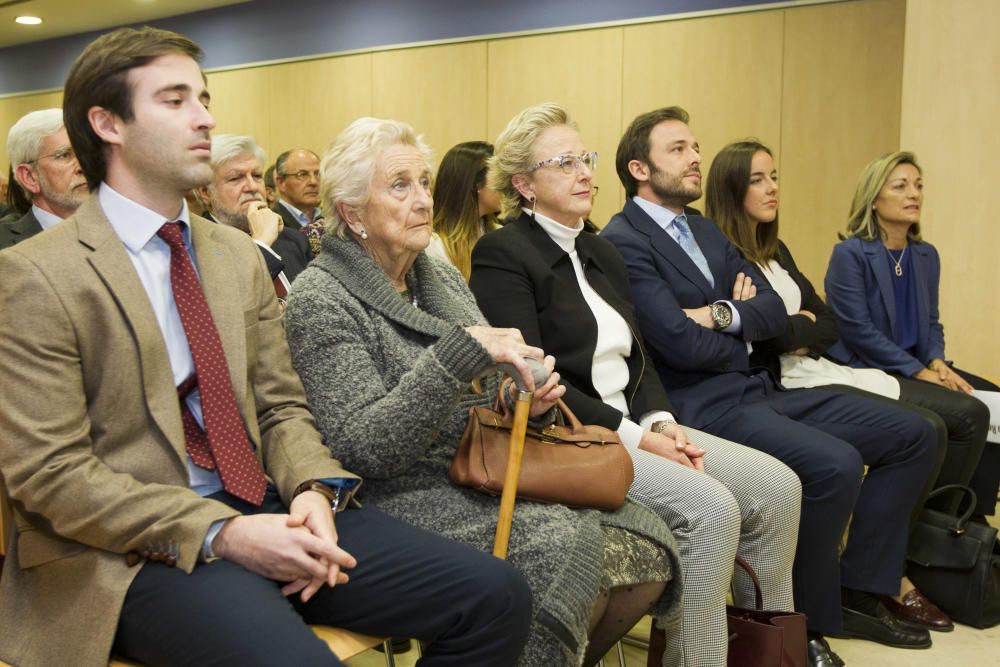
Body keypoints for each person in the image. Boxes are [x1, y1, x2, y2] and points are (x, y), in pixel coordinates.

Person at [0, 27, 533, 667]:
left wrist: (312, 489)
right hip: (133, 549)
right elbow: (51, 476)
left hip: (268, 502)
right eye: (175, 101)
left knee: (496, 595)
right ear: (107, 123)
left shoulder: (231, 255)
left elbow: (280, 406)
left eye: (203, 97)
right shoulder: (36, 274)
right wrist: (223, 534)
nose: (206, 117)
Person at [283, 116, 682, 667]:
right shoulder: (320, 297)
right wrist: (456, 359)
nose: (423, 199)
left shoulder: (436, 276)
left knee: (646, 532)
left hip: (483, 466)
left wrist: (527, 398)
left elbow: (493, 387)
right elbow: (364, 447)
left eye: (424, 181)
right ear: (352, 213)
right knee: (563, 549)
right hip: (398, 494)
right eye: (400, 186)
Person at [602, 106, 942, 665]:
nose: (695, 159)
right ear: (639, 169)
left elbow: (774, 312)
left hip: (760, 387)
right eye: (678, 149)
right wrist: (744, 323)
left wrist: (723, 315)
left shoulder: (704, 228)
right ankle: (800, 625)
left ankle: (863, 585)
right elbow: (677, 343)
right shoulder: (625, 238)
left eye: (695, 146)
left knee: (915, 435)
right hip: (700, 403)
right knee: (833, 466)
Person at [469, 102, 802, 666]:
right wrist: (637, 436)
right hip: (573, 435)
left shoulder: (600, 249)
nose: (584, 173)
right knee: (712, 507)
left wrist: (662, 423)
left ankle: (767, 658)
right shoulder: (503, 254)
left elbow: (640, 356)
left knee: (778, 487)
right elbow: (534, 374)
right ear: (523, 185)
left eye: (586, 158)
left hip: (637, 425)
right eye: (564, 162)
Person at [706, 139, 956, 632]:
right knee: (846, 460)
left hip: (804, 374)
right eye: (757, 179)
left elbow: (826, 323)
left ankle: (870, 581)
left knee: (924, 432)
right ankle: (822, 612)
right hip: (768, 387)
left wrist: (783, 324)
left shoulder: (775, 249)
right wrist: (781, 325)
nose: (772, 187)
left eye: (774, 176)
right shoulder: (722, 252)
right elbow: (762, 334)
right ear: (731, 189)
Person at [825, 151, 997, 517]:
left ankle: (971, 521)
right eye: (900, 186)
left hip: (916, 364)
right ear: (874, 198)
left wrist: (936, 361)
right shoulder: (850, 254)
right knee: (968, 412)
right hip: (870, 369)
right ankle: (936, 523)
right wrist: (920, 372)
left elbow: (932, 322)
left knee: (992, 399)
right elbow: (858, 331)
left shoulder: (925, 255)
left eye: (918, 186)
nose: (913, 194)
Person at [199, 133, 301, 297]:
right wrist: (262, 244)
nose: (252, 187)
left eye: (256, 176)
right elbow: (233, 303)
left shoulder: (295, 240)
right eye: (235, 178)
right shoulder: (196, 246)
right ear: (206, 193)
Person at [0, 108, 89, 249]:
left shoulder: (120, 230)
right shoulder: (4, 249)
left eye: (84, 152)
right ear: (29, 177)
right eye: (64, 155)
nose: (82, 166)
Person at [426, 140, 500, 278]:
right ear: (477, 183)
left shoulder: (501, 235)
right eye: (499, 176)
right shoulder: (434, 247)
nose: (506, 183)